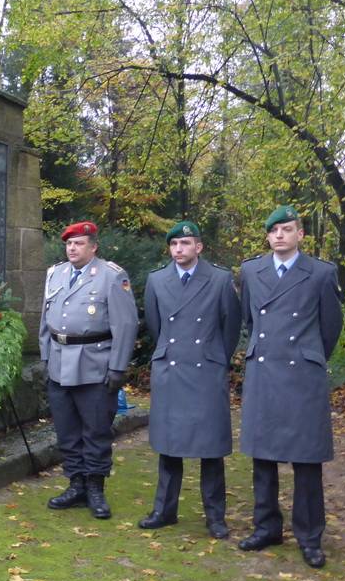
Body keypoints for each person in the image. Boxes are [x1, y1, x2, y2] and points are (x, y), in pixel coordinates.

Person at [238, 205, 343, 569]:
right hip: (264, 370)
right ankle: (266, 527)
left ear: (300, 234)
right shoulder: (251, 271)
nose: (279, 235)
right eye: (274, 231)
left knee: (307, 460)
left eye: (287, 229)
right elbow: (250, 320)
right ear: (267, 236)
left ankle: (310, 536)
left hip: (303, 376)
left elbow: (330, 327)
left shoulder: (321, 273)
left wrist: (307, 354)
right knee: (263, 457)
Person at [139, 220, 241, 539]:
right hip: (171, 369)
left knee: (210, 447)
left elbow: (231, 327)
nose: (179, 250)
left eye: (185, 244)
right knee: (169, 445)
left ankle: (215, 516)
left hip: (206, 370)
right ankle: (164, 510)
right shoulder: (156, 280)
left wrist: (215, 359)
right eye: (173, 245)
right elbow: (156, 327)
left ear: (199, 247)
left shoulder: (221, 279)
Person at [40, 221, 139, 519]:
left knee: (96, 430)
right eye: (69, 244)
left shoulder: (111, 276)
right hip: (59, 362)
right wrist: (45, 357)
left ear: (93, 247)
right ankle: (76, 484)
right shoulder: (55, 273)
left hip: (95, 364)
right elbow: (45, 320)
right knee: (67, 430)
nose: (72, 248)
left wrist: (118, 367)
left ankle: (95, 488)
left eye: (79, 243)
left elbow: (126, 324)